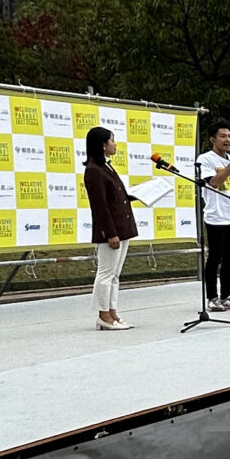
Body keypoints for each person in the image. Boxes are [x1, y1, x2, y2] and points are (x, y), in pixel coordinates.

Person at [82, 125, 138, 330]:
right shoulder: (93, 170)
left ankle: (112, 312)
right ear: (102, 145)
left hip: (122, 226)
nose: (115, 144)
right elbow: (100, 206)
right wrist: (110, 234)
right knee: (105, 273)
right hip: (111, 230)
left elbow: (114, 196)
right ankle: (103, 315)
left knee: (115, 274)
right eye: (112, 140)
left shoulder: (106, 167)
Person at [197, 123, 230, 312]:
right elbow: (214, 183)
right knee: (215, 258)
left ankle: (227, 296)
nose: (228, 140)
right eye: (223, 136)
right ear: (213, 139)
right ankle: (212, 297)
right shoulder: (205, 159)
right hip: (217, 217)